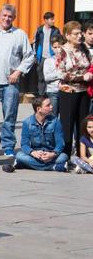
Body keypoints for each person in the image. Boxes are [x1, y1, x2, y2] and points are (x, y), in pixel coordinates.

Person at [0, 4, 35, 156]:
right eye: (4, 15)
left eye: (10, 17)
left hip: (10, 82)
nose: (6, 19)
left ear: (14, 18)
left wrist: (18, 72)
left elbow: (29, 56)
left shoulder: (19, 34)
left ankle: (8, 145)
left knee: (10, 116)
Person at [6, 96, 68, 172]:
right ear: (39, 109)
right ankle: (53, 167)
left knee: (63, 157)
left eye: (50, 104)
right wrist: (33, 152)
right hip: (35, 154)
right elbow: (24, 144)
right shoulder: (27, 122)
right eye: (48, 105)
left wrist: (53, 154)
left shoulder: (55, 121)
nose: (51, 107)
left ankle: (24, 165)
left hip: (50, 154)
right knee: (19, 155)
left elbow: (60, 143)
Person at [55, 21, 89, 157]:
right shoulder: (62, 50)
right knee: (67, 125)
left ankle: (82, 155)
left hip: (84, 92)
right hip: (68, 91)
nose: (80, 36)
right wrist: (81, 77)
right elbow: (60, 73)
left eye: (81, 33)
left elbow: (89, 65)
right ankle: (65, 155)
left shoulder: (84, 49)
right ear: (68, 35)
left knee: (83, 125)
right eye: (76, 33)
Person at [33, 12, 60, 90]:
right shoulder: (39, 30)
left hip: (52, 57)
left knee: (53, 77)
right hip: (41, 57)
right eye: (51, 19)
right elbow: (35, 42)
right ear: (45, 20)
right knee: (41, 77)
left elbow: (60, 43)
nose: (53, 21)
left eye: (53, 19)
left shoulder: (56, 30)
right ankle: (41, 96)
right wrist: (35, 55)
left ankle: (50, 94)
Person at [43, 35, 64, 116]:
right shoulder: (48, 61)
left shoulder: (67, 59)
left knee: (64, 115)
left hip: (65, 90)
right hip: (53, 91)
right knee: (52, 114)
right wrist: (59, 74)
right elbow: (47, 77)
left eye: (60, 47)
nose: (58, 50)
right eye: (55, 47)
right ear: (52, 48)